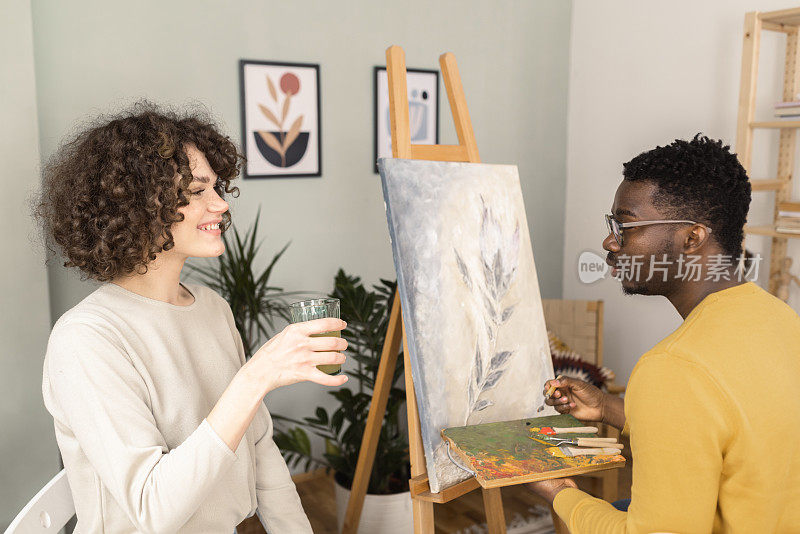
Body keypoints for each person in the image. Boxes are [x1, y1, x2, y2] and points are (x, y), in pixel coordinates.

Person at [35, 104, 347, 533]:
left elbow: (259, 449)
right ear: (140, 205)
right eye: (198, 191)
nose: (220, 204)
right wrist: (257, 377)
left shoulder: (212, 308)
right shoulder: (87, 339)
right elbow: (153, 510)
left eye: (216, 188)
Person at [526, 135, 800, 532]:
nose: (609, 241)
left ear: (692, 238)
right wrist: (607, 408)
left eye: (625, 225)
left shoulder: (672, 367)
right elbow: (729, 434)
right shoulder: (781, 319)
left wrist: (559, 491)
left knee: (571, 518)